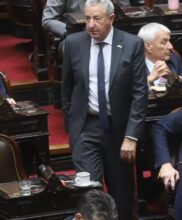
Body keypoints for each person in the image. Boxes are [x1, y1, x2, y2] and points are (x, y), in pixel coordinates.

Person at [61, 0, 148, 219]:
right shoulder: (73, 43)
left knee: (121, 199)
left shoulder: (131, 44)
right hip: (86, 127)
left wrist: (131, 136)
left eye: (96, 18)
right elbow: (66, 89)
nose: (90, 24)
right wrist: (74, 130)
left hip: (118, 131)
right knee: (90, 197)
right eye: (87, 18)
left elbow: (140, 94)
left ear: (111, 18)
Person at [42, 0, 131, 38]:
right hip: (77, 33)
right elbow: (48, 20)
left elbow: (127, 11)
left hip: (111, 32)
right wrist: (69, 32)